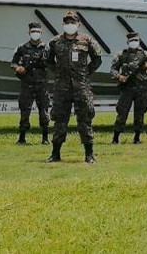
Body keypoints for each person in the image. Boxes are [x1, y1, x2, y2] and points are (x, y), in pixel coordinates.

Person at [44, 10, 103, 164]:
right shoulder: (55, 42)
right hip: (61, 87)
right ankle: (55, 154)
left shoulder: (86, 40)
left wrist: (85, 73)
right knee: (59, 120)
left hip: (81, 87)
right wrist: (58, 72)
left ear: (78, 24)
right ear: (63, 24)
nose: (70, 25)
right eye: (67, 22)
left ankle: (89, 155)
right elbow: (48, 61)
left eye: (73, 22)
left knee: (85, 120)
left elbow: (97, 59)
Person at [110, 32, 147, 144]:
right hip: (127, 88)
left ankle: (137, 138)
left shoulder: (146, 55)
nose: (134, 43)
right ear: (128, 42)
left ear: (139, 41)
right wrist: (119, 77)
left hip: (141, 88)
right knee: (122, 112)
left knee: (140, 113)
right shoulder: (121, 55)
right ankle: (116, 138)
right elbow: (113, 70)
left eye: (136, 40)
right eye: (131, 41)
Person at [12, 22, 51, 145]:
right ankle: (22, 138)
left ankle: (45, 138)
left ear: (41, 33)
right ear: (29, 33)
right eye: (33, 31)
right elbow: (13, 63)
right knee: (24, 111)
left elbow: (53, 63)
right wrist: (18, 68)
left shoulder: (47, 49)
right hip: (26, 84)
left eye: (37, 31)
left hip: (42, 85)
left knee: (44, 112)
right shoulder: (22, 48)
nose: (35, 34)